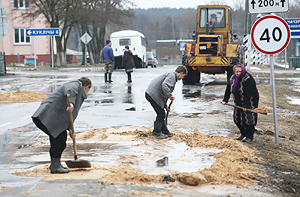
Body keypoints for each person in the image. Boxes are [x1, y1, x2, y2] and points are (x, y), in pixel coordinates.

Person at [32, 77, 92, 173]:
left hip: (50, 118)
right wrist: (71, 103)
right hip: (47, 116)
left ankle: (55, 164)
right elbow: (70, 91)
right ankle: (55, 166)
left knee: (58, 139)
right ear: (87, 86)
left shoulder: (77, 88)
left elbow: (69, 116)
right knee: (59, 140)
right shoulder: (76, 85)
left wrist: (70, 129)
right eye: (88, 90)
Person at [145, 66, 187, 138]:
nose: (182, 78)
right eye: (183, 76)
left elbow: (163, 94)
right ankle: (156, 132)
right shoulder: (172, 76)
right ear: (181, 73)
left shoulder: (172, 76)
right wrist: (170, 95)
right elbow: (164, 86)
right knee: (161, 113)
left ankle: (165, 131)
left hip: (152, 94)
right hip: (153, 94)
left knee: (162, 112)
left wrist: (166, 106)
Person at [222, 63, 259, 142]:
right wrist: (225, 100)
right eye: (236, 72)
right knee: (237, 119)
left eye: (239, 71)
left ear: (242, 71)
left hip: (249, 101)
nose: (238, 73)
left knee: (249, 120)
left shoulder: (248, 78)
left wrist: (245, 105)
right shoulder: (232, 78)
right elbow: (228, 88)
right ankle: (243, 133)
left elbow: (248, 93)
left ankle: (249, 136)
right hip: (238, 101)